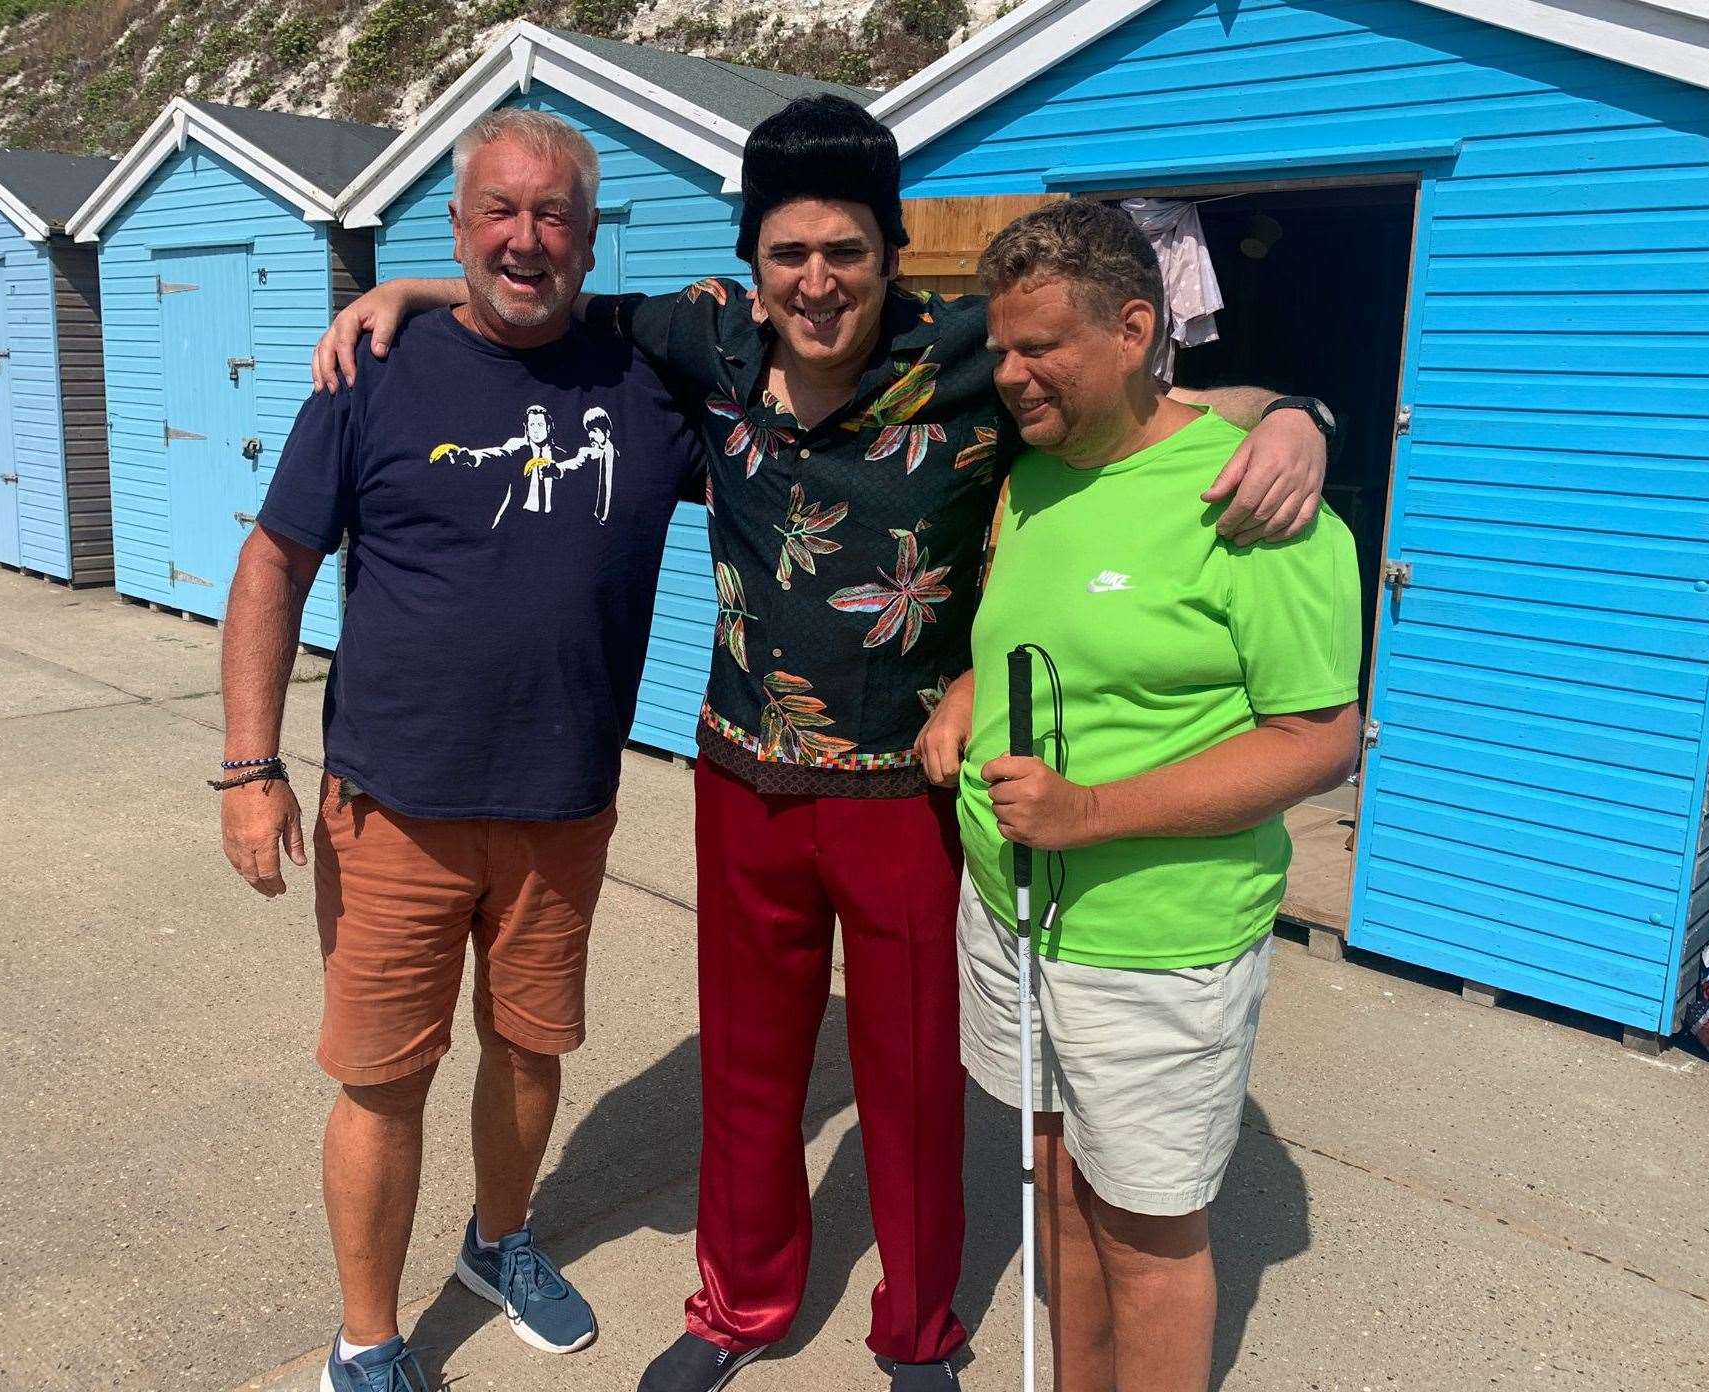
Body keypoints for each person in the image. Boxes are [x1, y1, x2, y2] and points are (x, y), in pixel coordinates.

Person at [313, 96, 1336, 1392]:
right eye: (788, 251)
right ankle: (739, 1306)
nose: (815, 280)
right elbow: (542, 305)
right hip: (741, 778)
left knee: (909, 1086)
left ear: (888, 253)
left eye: (844, 250)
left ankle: (917, 1331)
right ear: (752, 259)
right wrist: (405, 291)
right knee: (748, 1071)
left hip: (907, 791)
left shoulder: (972, 353)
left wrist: (1298, 414)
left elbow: (1157, 406)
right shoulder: (710, 335)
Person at [217, 108, 705, 1392]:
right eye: (499, 210)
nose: (526, 238)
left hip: (564, 804)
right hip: (397, 803)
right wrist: (248, 762)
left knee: (533, 1046)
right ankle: (367, 1340)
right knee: (384, 1080)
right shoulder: (372, 373)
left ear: (591, 239)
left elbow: (818, 377)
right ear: (457, 220)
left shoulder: (650, 379)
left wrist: (1286, 414)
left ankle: (499, 1241)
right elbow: (273, 562)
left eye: (554, 216)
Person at [937, 199, 1361, 1392]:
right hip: (1011, 917)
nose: (1007, 374)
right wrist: (969, 683)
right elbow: (1047, 625)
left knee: (1147, 1234)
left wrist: (1089, 815)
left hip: (1155, 941)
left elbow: (1317, 739)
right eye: (1000, 346)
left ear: (1136, 328)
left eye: (1039, 348)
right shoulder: (1027, 480)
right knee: (1057, 1187)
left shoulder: (1256, 504)